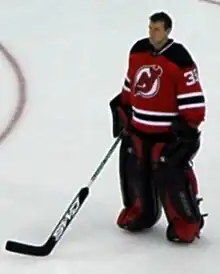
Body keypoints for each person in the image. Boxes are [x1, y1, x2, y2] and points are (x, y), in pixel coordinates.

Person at [109, 11, 207, 243]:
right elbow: (131, 84)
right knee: (133, 168)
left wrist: (188, 127)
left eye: (158, 29)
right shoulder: (138, 51)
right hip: (139, 128)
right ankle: (141, 212)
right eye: (151, 28)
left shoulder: (179, 59)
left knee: (169, 174)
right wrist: (123, 109)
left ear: (168, 31)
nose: (153, 33)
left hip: (166, 135)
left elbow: (193, 99)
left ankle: (186, 221)